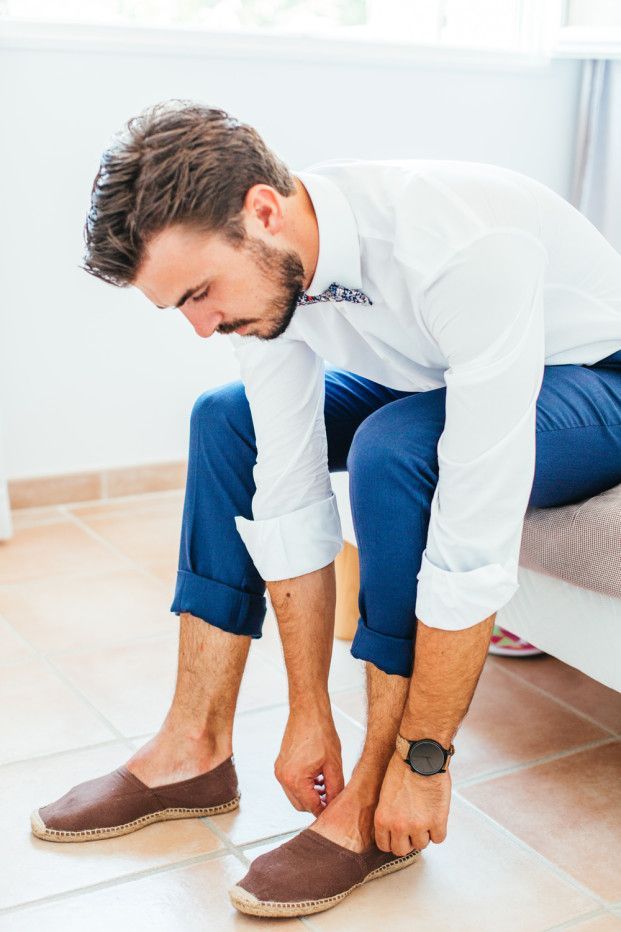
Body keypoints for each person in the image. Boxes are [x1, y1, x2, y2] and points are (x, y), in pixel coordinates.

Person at [31, 100, 621, 918]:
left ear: (262, 211)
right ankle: (192, 747)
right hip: (435, 371)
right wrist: (309, 713)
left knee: (394, 448)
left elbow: (471, 540)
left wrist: (425, 759)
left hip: (595, 380)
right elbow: (291, 490)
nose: (202, 325)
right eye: (180, 309)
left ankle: (376, 792)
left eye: (201, 293)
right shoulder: (271, 268)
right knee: (223, 417)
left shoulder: (455, 247)